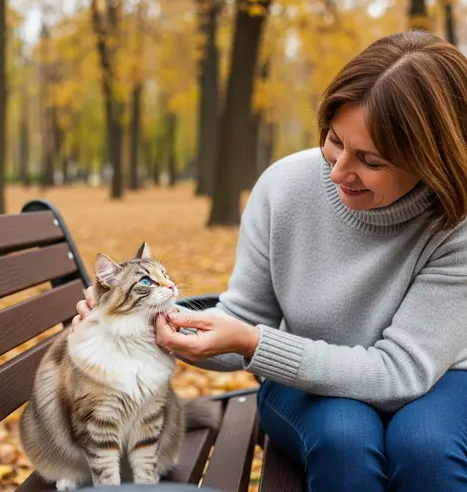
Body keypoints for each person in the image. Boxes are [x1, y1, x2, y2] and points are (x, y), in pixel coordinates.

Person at [72, 30, 467, 491]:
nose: (337, 171)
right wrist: (140, 321)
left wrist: (256, 344)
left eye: (371, 161)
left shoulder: (456, 223)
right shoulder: (285, 186)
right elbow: (244, 317)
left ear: (432, 160)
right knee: (344, 438)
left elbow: (401, 372)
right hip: (300, 385)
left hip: (435, 379)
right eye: (335, 140)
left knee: (426, 450)